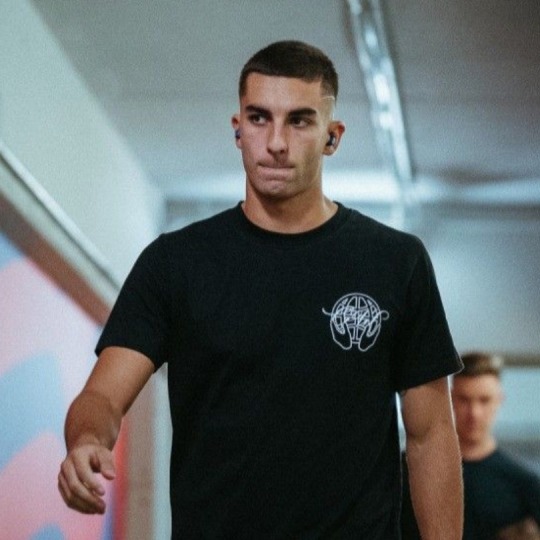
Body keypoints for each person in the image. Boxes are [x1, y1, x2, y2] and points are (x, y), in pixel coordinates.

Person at [58, 40, 463, 539]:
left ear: (332, 137)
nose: (276, 142)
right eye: (258, 118)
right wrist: (86, 440)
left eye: (299, 121)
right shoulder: (176, 263)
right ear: (237, 129)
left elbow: (430, 434)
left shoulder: (395, 261)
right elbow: (101, 396)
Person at [453, 352, 540, 539]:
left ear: (499, 400)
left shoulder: (523, 483)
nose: (474, 413)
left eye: (484, 400)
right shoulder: (412, 473)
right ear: (451, 400)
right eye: (464, 399)